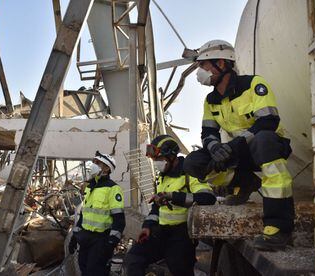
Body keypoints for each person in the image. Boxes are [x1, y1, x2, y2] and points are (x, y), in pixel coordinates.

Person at [184, 39, 295, 251]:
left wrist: (235, 145)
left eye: (203, 65)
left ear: (222, 64)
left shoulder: (253, 84)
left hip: (266, 147)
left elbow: (269, 121)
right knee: (193, 163)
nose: (200, 72)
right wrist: (215, 147)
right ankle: (245, 182)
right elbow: (208, 132)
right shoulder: (211, 100)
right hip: (238, 152)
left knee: (264, 139)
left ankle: (279, 227)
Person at [125, 135, 216, 276]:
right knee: (134, 258)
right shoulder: (162, 177)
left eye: (159, 159)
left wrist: (173, 197)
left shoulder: (189, 173)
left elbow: (207, 198)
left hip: (182, 235)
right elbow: (156, 208)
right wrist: (147, 227)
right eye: (155, 160)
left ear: (172, 157)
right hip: (161, 232)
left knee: (179, 268)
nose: (156, 163)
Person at [68, 151, 125, 276]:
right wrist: (74, 237)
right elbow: (84, 214)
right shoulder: (90, 187)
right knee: (84, 269)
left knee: (95, 272)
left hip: (101, 240)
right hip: (85, 239)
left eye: (97, 163)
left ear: (106, 168)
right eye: (94, 162)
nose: (93, 165)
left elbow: (119, 220)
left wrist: (111, 243)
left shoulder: (113, 189)